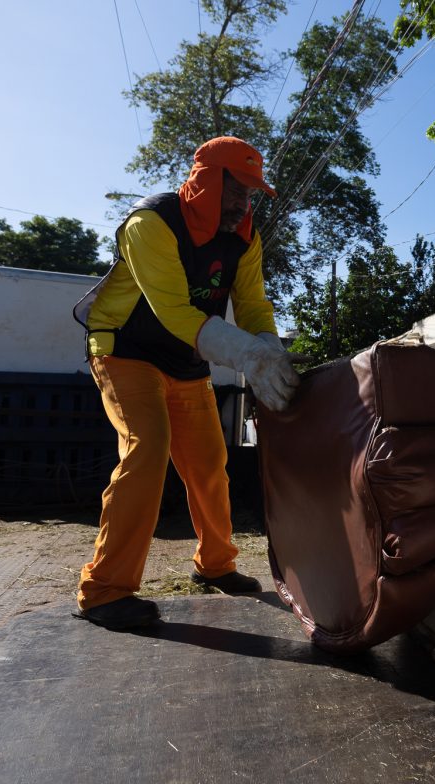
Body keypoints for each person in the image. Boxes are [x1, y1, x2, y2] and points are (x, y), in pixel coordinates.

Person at [72, 136, 306, 630]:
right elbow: (174, 311)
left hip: (186, 361)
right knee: (148, 448)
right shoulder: (150, 223)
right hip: (124, 351)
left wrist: (271, 354)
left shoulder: (245, 236)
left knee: (209, 465)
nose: (245, 203)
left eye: (251, 193)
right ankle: (104, 591)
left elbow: (253, 304)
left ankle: (215, 566)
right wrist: (246, 355)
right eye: (237, 189)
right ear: (205, 181)